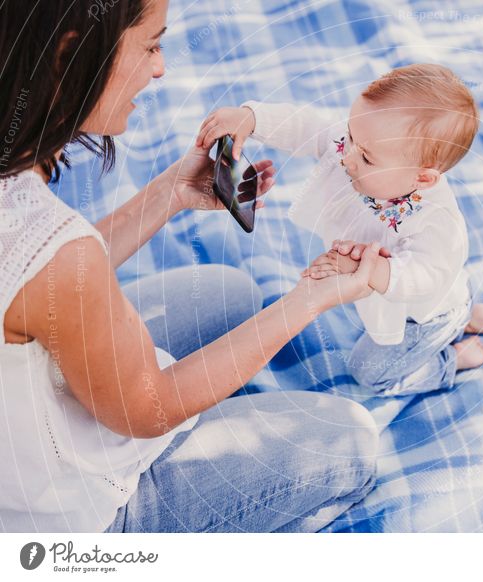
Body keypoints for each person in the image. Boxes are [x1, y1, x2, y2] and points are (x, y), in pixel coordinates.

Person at [0, 0, 383, 533]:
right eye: (152, 46)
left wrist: (171, 193)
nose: (161, 68)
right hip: (60, 518)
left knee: (229, 292)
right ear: (71, 52)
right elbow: (146, 407)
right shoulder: (54, 246)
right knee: (348, 440)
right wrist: (310, 299)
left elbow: (37, 278)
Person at [195, 64, 483, 398]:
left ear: (422, 178)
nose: (347, 157)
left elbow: (425, 275)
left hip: (419, 318)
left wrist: (366, 269)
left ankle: (448, 358)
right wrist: (253, 119)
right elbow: (308, 126)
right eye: (351, 135)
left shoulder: (436, 221)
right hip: (424, 297)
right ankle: (465, 317)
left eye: (365, 157)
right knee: (447, 304)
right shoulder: (359, 145)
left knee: (368, 373)